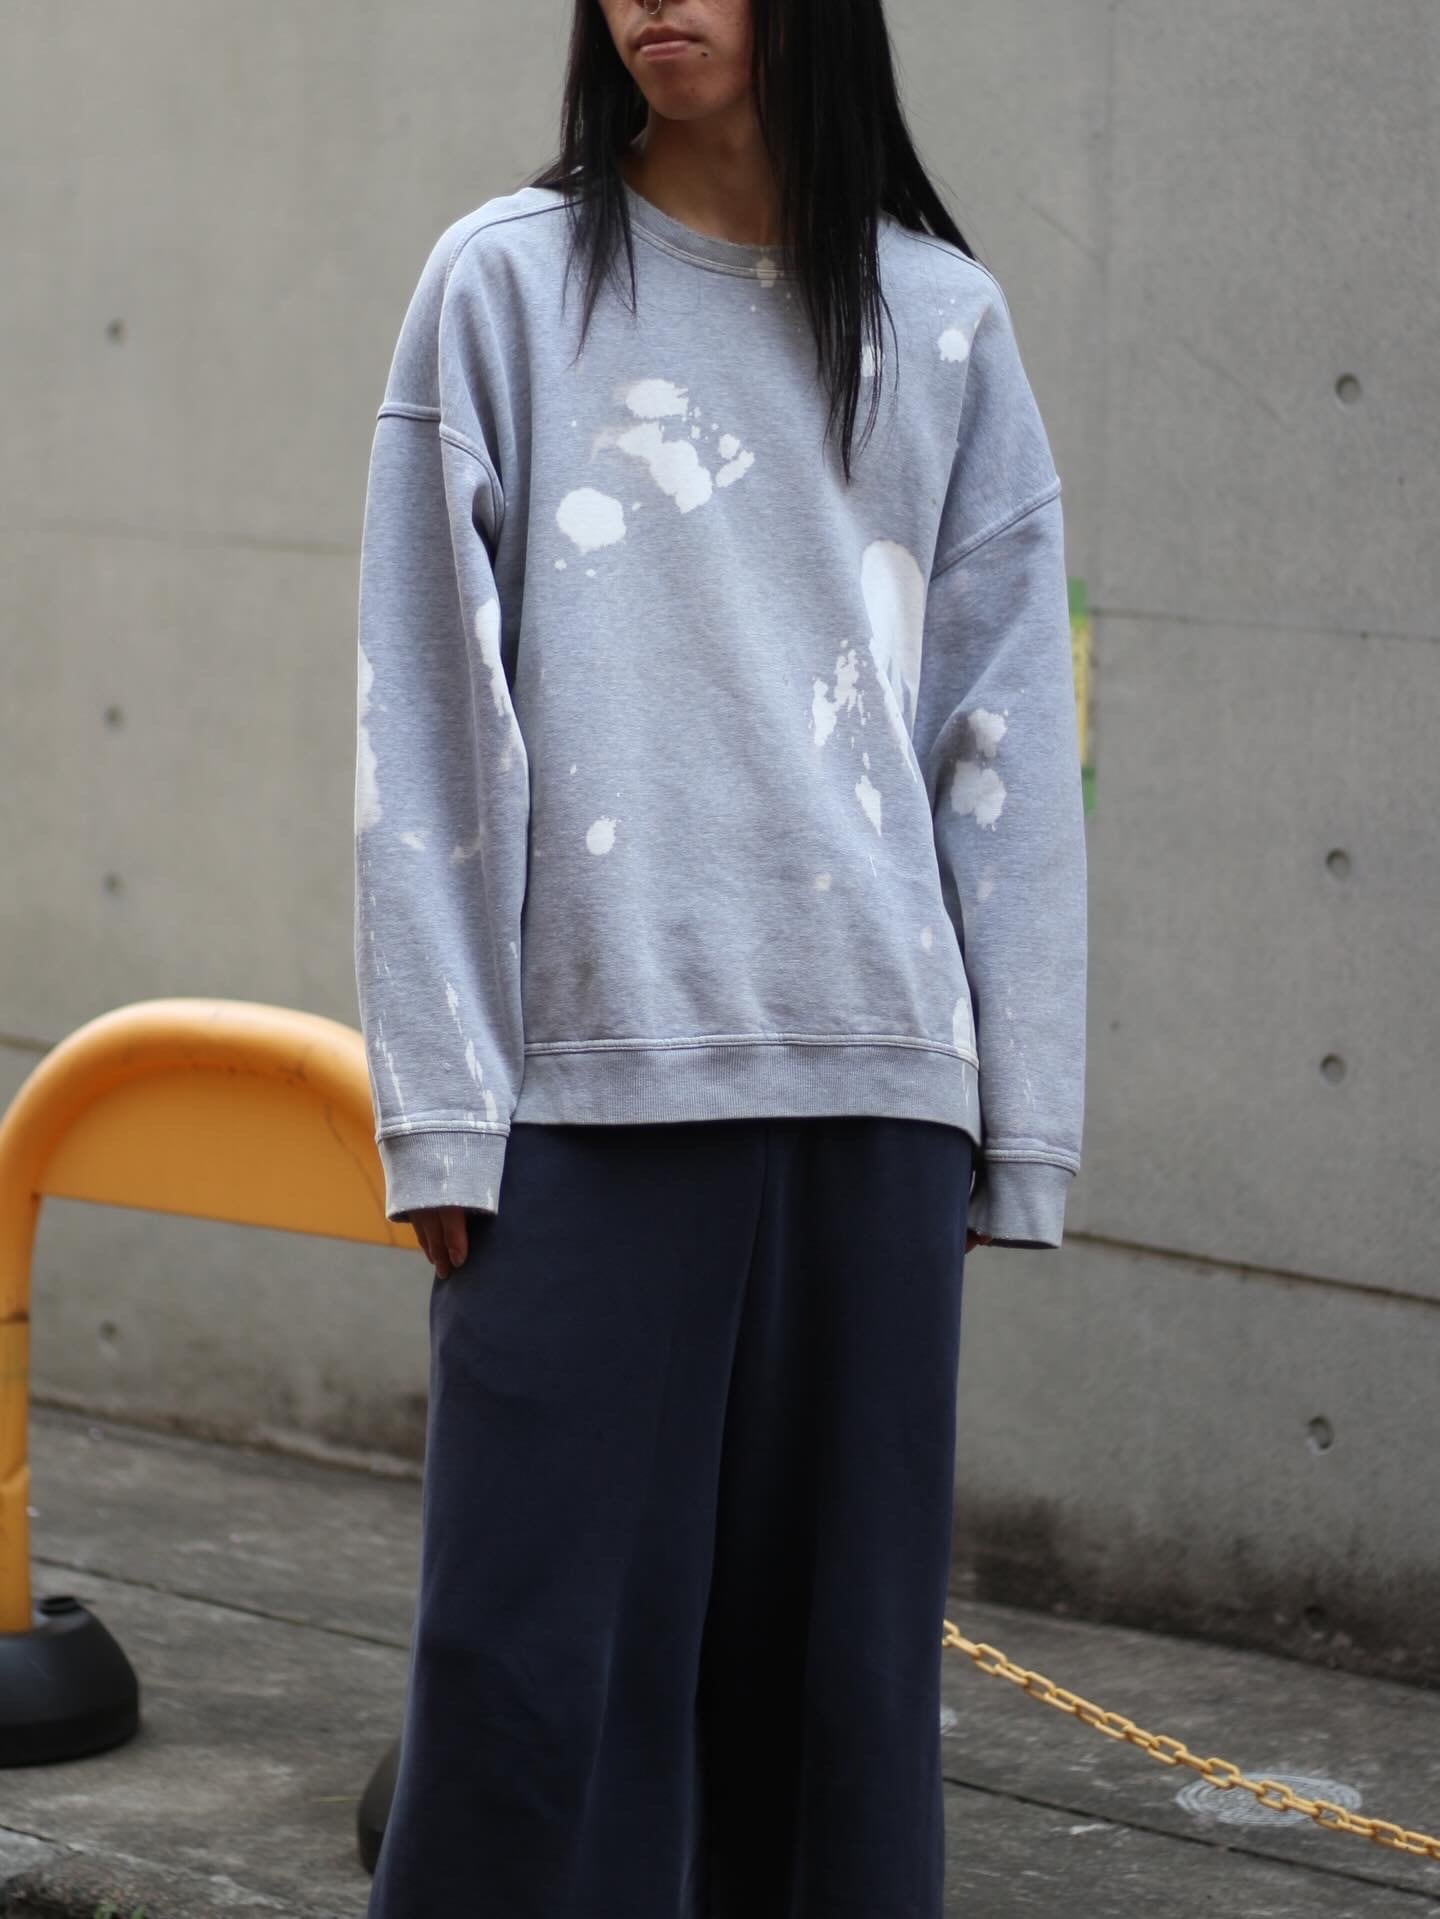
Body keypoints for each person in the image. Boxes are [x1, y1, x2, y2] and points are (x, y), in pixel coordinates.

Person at [353, 0, 1087, 1910]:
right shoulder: (507, 284)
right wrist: (442, 1100)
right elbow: (425, 711)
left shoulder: (945, 321)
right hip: (582, 1101)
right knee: (528, 1691)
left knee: (837, 1709)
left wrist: (1016, 1117)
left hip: (877, 1095)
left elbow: (1006, 729)